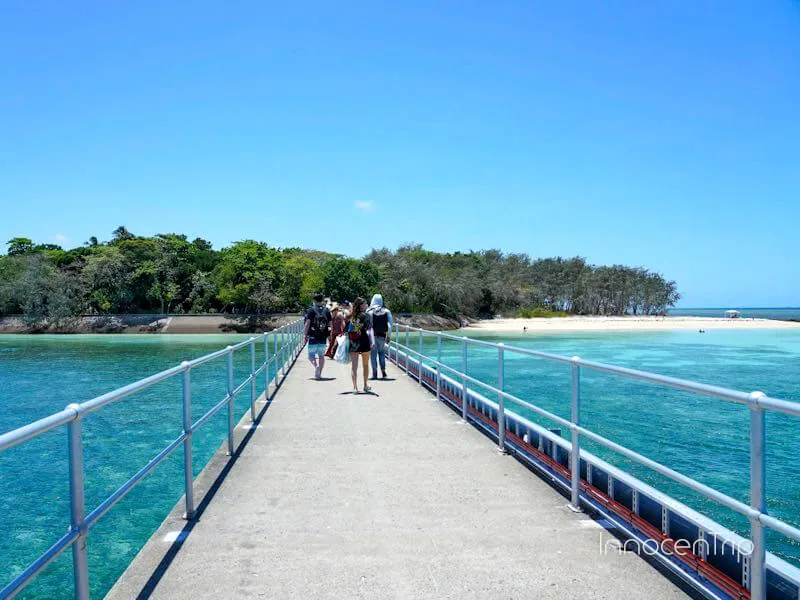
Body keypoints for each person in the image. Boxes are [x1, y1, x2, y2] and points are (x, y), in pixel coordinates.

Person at [346, 297, 375, 393]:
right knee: (365, 365)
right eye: (365, 303)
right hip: (364, 341)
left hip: (354, 341)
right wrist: (372, 342)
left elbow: (346, 328)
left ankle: (355, 388)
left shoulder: (351, 316)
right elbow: (370, 329)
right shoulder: (367, 316)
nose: (366, 305)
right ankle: (365, 386)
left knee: (354, 366)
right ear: (361, 305)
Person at [304, 293, 332, 379]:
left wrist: (305, 335)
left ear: (314, 300)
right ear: (322, 300)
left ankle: (316, 366)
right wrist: (330, 336)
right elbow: (330, 325)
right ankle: (319, 373)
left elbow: (307, 324)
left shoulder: (311, 310)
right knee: (321, 356)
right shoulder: (327, 310)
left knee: (311, 355)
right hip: (323, 337)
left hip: (313, 336)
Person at [367, 294, 393, 379]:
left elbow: (367, 326)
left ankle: (374, 373)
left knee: (373, 354)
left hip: (372, 337)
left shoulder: (369, 311)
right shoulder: (387, 311)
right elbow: (390, 325)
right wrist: (388, 336)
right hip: (382, 335)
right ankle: (383, 370)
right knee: (381, 352)